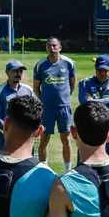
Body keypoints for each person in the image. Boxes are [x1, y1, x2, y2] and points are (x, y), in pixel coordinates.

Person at [32, 37, 77, 172]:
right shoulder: (41, 65)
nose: (52, 48)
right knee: (44, 139)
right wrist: (44, 101)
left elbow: (72, 84)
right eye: (49, 46)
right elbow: (36, 88)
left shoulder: (69, 63)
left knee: (66, 140)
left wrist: (64, 98)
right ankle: (44, 171)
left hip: (64, 108)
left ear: (60, 48)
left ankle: (67, 171)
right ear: (46, 48)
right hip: (47, 109)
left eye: (54, 46)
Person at [78, 54, 109, 159]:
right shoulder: (84, 83)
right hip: (89, 133)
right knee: (86, 166)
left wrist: (93, 100)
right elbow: (85, 104)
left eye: (106, 71)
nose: (103, 73)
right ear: (95, 68)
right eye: (100, 70)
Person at [0, 59, 34, 151]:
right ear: (7, 72)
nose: (18, 74)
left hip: (25, 139)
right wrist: (10, 132)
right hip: (5, 141)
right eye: (15, 71)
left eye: (20, 71)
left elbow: (34, 113)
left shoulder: (28, 90)